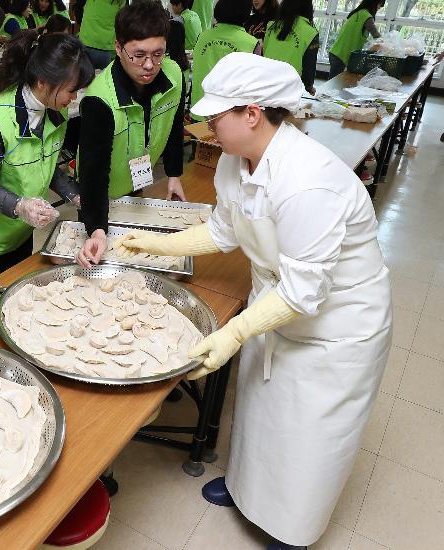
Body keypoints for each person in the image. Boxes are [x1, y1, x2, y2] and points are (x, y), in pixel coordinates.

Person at [114, 52, 391, 550]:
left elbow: (305, 291)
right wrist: (154, 243)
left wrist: (235, 331)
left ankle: (291, 530)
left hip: (336, 324)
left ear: (252, 112)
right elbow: (224, 229)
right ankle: (246, 492)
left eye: (215, 115)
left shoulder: (308, 181)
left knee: (308, 433)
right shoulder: (234, 161)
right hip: (277, 300)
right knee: (262, 410)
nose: (205, 124)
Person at [0, 30, 94, 290]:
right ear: (42, 82)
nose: (73, 98)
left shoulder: (55, 115)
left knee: (18, 290)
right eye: (71, 91)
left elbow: (44, 163)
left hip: (18, 228)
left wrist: (75, 195)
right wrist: (21, 206)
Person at [75, 0, 188, 267]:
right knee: (103, 260)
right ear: (117, 47)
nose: (149, 65)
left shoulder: (173, 75)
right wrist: (97, 229)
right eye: (138, 55)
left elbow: (173, 124)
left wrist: (174, 175)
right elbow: (93, 173)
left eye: (158, 54)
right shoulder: (99, 99)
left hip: (138, 183)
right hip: (102, 192)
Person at [190, 0, 259, 121]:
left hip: (200, 111)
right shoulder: (252, 43)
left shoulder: (203, 37)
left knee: (199, 142)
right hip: (231, 118)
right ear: (247, 11)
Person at [263, 0, 319, 94]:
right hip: (288, 88)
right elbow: (309, 66)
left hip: (264, 82)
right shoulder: (310, 32)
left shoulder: (272, 26)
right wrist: (309, 86)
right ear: (309, 4)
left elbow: (265, 53)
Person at [75, 0, 129, 68]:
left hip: (86, 43)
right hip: (108, 48)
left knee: (84, 81)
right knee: (103, 81)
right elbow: (124, 23)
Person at [328, 0, 385, 79]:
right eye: (379, 5)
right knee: (333, 85)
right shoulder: (367, 17)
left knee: (334, 83)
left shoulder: (357, 13)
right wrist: (388, 44)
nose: (379, 8)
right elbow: (376, 35)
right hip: (342, 55)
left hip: (336, 52)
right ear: (374, 3)